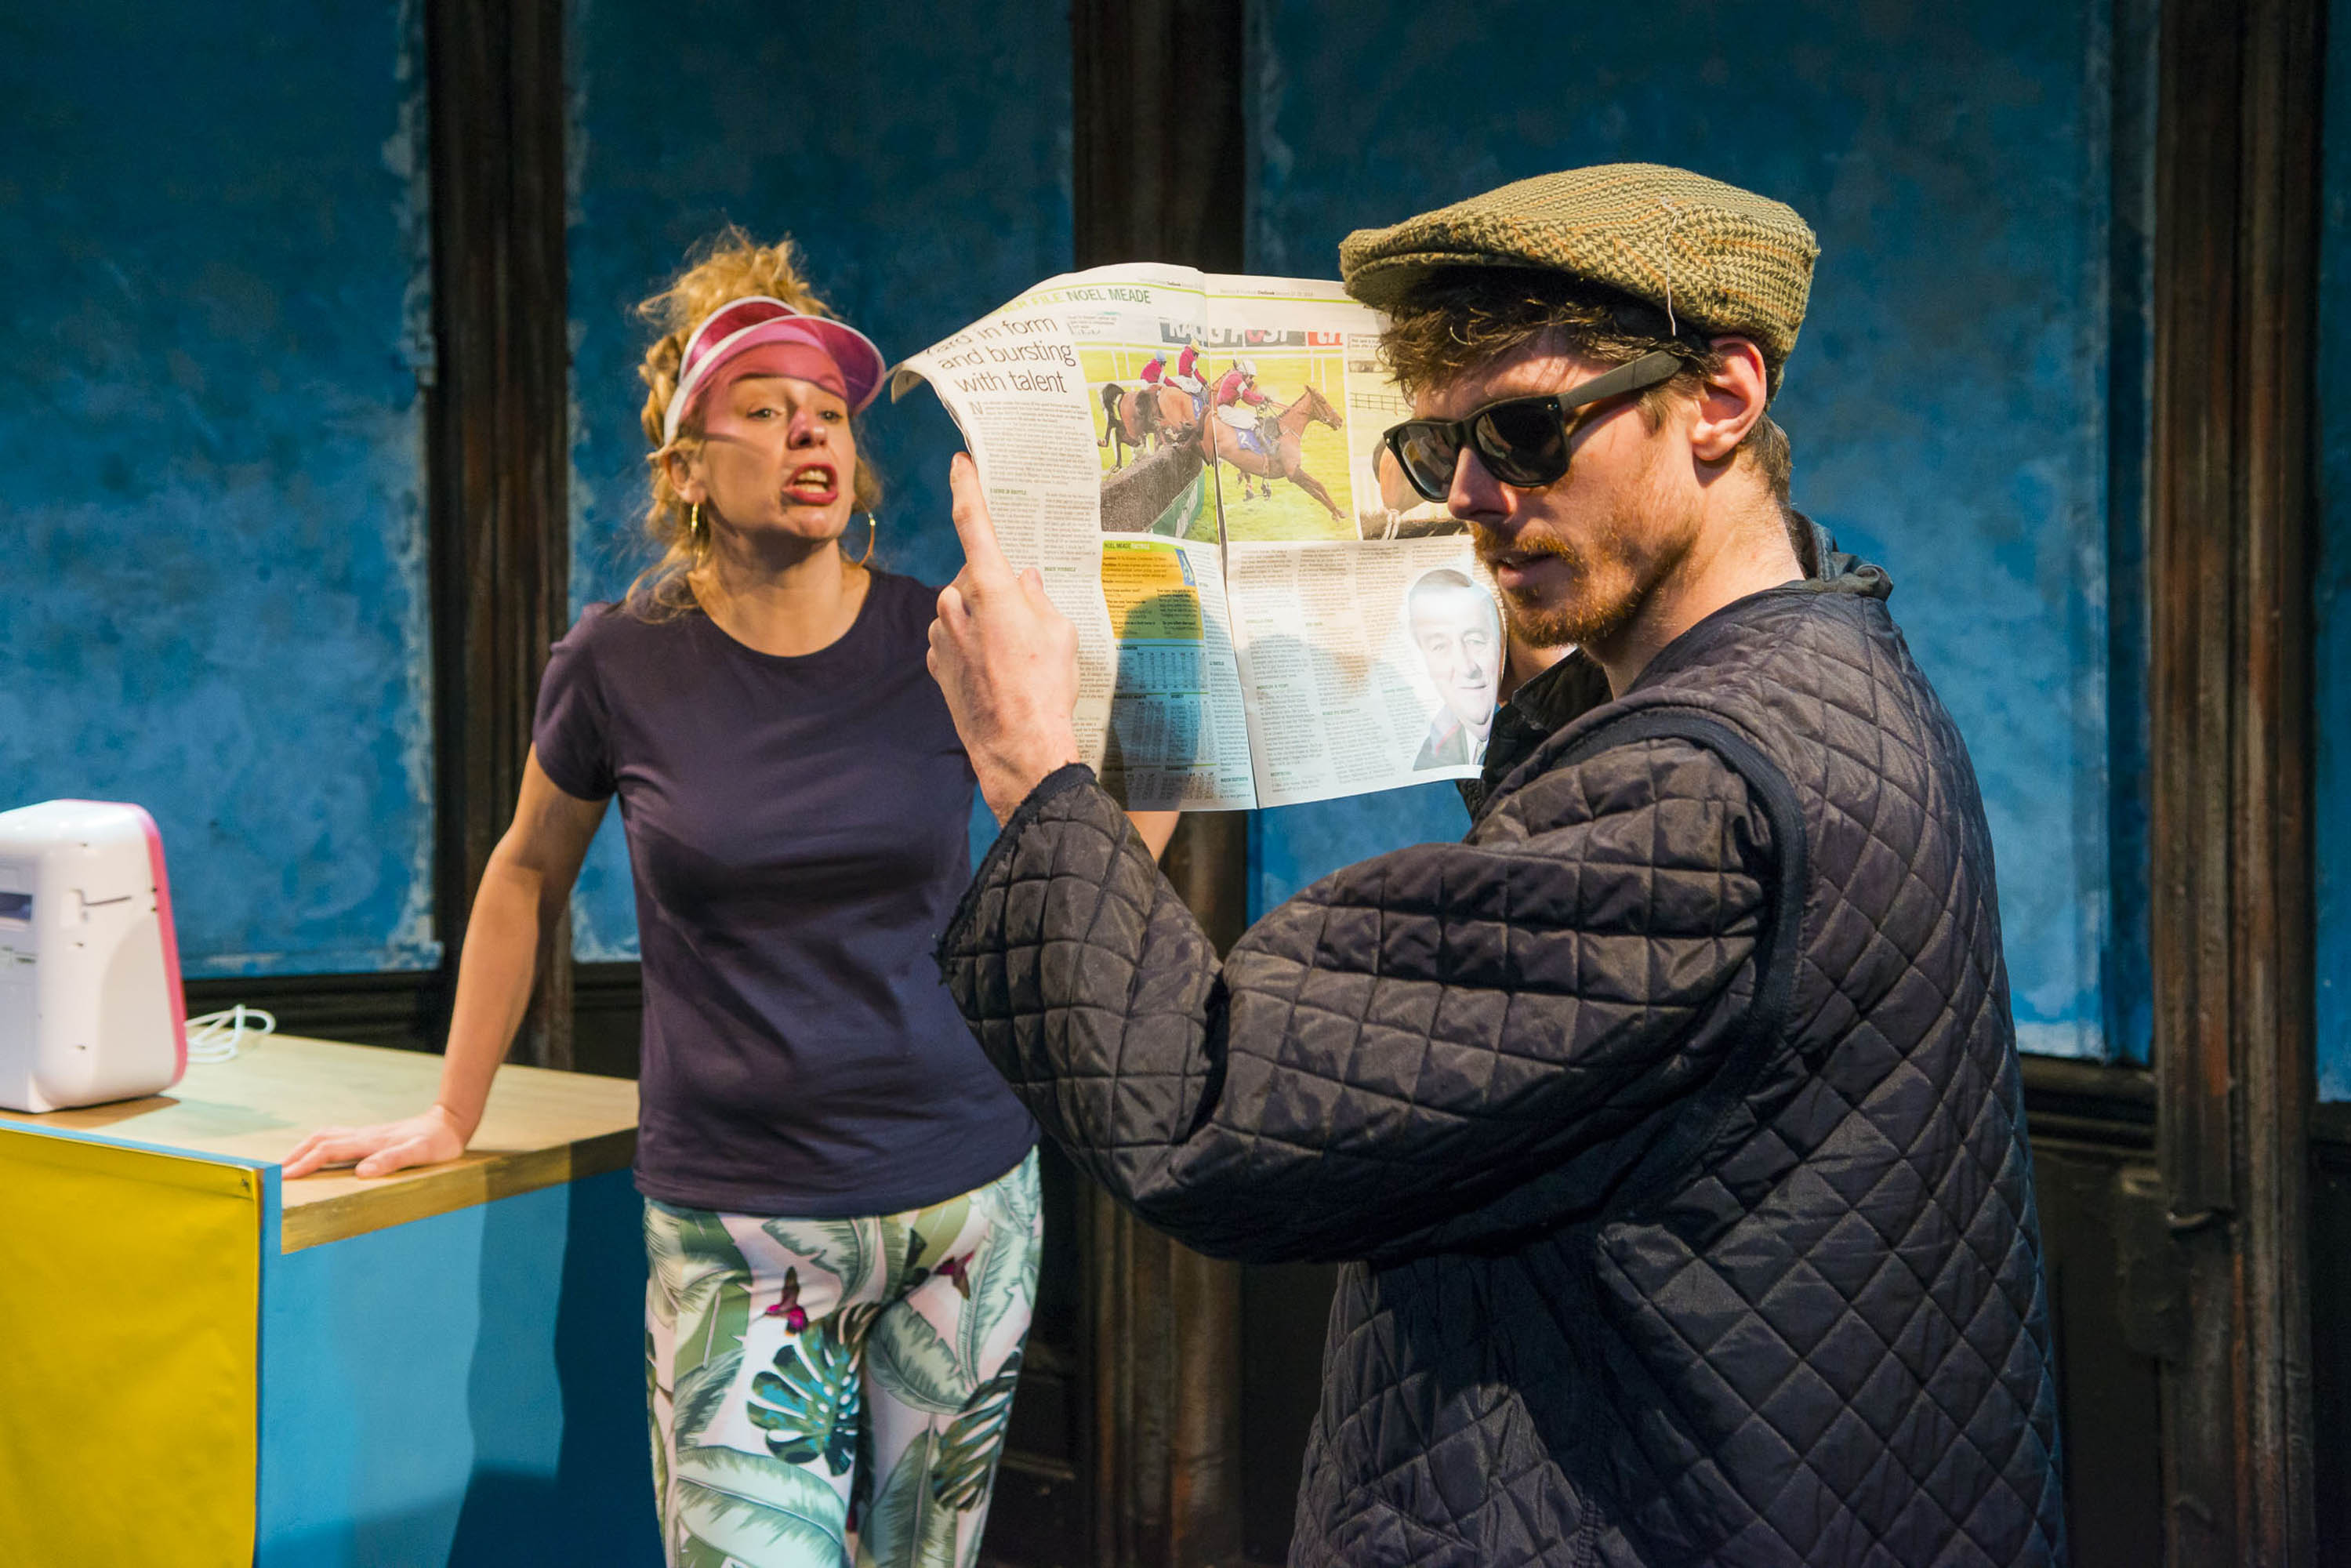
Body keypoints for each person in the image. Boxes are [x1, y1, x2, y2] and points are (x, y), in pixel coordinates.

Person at [922, 165, 2062, 1566]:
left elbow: (1197, 1101)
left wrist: (1032, 768)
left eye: (1524, 430)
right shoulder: (1836, 661)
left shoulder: (1686, 799)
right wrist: (1530, 679)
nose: (1470, 494)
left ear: (1719, 397)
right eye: (1437, 447)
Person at [284, 232, 1176, 1568]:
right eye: (761, 410)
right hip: (739, 1230)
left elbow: (1085, 856)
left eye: (828, 413)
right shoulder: (617, 664)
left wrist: (1175, 694)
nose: (807, 431)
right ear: (685, 469)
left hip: (965, 1206)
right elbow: (524, 870)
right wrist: (450, 1109)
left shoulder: (942, 637)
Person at [1403, 566, 1504, 769]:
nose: (1466, 667)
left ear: (1502, 641)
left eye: (1476, 641)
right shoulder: (1429, 759)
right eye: (1440, 646)